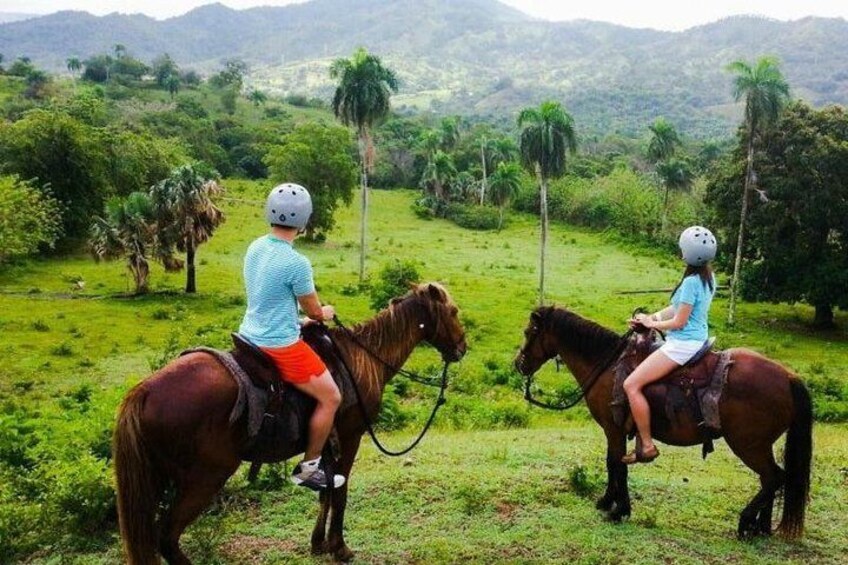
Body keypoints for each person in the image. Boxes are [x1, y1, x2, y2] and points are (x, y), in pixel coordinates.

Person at [238, 182, 345, 490]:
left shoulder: (255, 246)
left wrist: (295, 319)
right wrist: (323, 313)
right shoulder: (297, 263)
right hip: (279, 345)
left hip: (248, 336)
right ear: (304, 220)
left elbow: (267, 296)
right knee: (331, 396)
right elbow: (313, 310)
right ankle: (310, 469)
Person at [622, 226, 718, 464]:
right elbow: (678, 308)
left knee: (631, 384)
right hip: (698, 339)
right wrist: (651, 317)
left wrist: (652, 325)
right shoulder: (707, 277)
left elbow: (679, 321)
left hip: (682, 345)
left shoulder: (690, 283)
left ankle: (647, 444)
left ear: (687, 253)